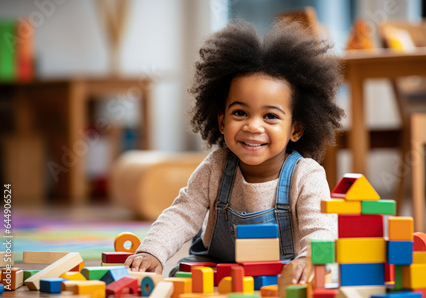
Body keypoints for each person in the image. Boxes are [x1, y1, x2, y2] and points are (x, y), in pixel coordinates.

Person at [125, 18, 343, 287]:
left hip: (281, 270)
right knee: (179, 280)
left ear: (296, 129)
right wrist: (152, 251)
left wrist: (308, 259)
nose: (253, 125)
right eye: (240, 113)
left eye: (270, 116)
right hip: (219, 266)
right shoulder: (215, 166)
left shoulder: (306, 175)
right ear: (221, 121)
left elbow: (321, 228)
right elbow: (182, 214)